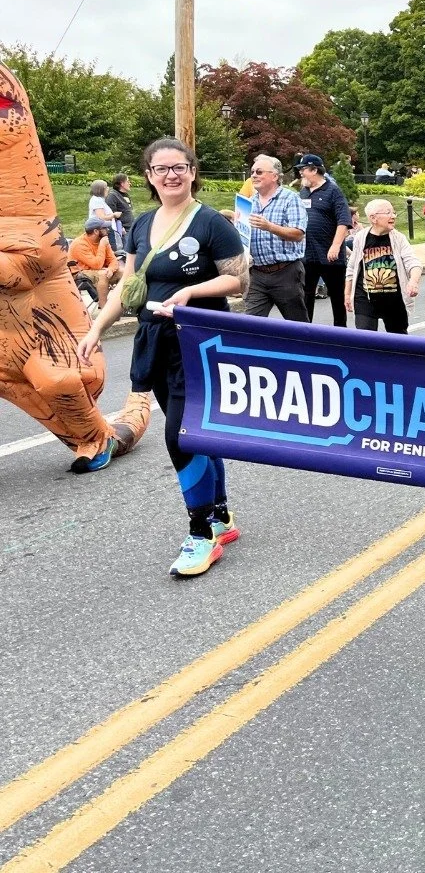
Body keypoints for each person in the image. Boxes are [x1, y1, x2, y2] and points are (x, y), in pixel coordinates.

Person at [76, 138, 248, 577]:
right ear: (149, 176)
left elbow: (238, 282)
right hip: (155, 340)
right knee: (198, 432)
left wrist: (190, 292)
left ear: (192, 170)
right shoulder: (142, 225)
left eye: (179, 167)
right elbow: (128, 288)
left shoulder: (212, 223)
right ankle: (221, 515)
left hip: (201, 343)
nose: (171, 175)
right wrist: (95, 330)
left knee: (182, 434)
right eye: (161, 169)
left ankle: (200, 534)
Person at [245, 154, 308, 322]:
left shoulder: (290, 198)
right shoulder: (249, 203)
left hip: (285, 272)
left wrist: (269, 227)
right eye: (252, 172)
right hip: (257, 274)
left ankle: (304, 348)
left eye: (259, 172)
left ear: (274, 176)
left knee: (297, 326)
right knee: (249, 325)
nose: (253, 175)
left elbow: (298, 234)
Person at [344, 199, 421, 333]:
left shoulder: (399, 238)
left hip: (394, 300)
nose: (393, 216)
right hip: (365, 299)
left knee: (398, 343)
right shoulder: (361, 237)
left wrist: (413, 281)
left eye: (394, 212)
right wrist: (347, 294)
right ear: (373, 218)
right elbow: (351, 269)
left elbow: (413, 263)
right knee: (365, 341)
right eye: (388, 213)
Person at [297, 153, 352, 326]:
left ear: (314, 170)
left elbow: (343, 220)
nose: (300, 173)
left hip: (330, 255)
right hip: (308, 255)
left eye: (303, 169)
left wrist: (336, 246)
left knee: (336, 297)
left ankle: (340, 333)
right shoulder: (303, 192)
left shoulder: (332, 190)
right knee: (306, 296)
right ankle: (306, 334)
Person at [68, 217, 122, 310]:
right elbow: (96, 265)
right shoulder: (80, 244)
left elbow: (113, 260)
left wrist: (110, 269)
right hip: (80, 273)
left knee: (123, 272)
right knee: (103, 274)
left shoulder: (103, 241)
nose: (107, 230)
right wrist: (102, 245)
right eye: (104, 228)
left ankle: (121, 304)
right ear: (96, 231)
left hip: (100, 271)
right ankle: (104, 308)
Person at [105, 173, 134, 253]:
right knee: (125, 252)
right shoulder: (112, 196)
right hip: (122, 230)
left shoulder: (125, 195)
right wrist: (120, 227)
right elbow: (110, 213)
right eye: (128, 181)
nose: (130, 183)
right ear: (121, 183)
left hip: (130, 228)